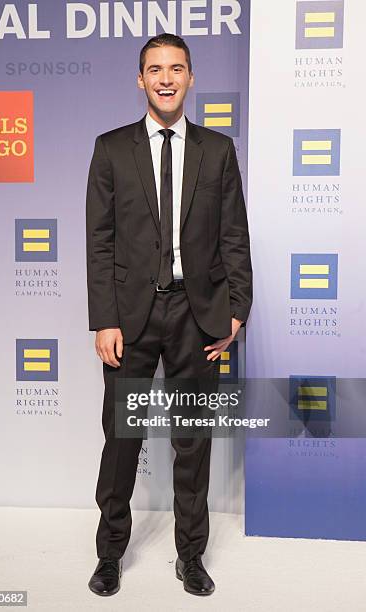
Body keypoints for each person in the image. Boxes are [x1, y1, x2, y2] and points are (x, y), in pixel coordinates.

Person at [85, 33, 252, 597]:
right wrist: (104, 318)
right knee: (122, 440)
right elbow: (100, 242)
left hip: (197, 315)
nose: (165, 77)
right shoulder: (110, 149)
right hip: (129, 320)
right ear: (140, 79)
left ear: (190, 78)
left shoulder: (217, 149)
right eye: (154, 68)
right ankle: (109, 555)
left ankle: (191, 556)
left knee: (192, 443)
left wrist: (236, 311)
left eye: (176, 68)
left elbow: (234, 238)